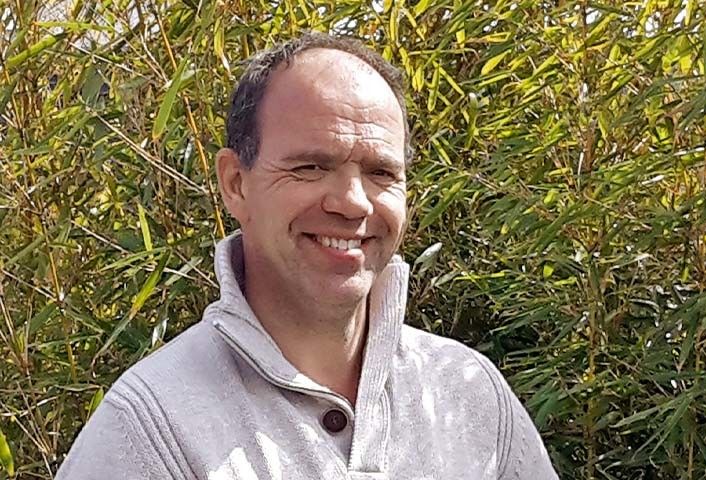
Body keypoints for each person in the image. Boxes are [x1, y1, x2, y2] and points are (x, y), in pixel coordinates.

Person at [56, 32, 558, 480]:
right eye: (311, 167)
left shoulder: (468, 395)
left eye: (381, 173)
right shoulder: (151, 429)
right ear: (236, 184)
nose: (354, 203)